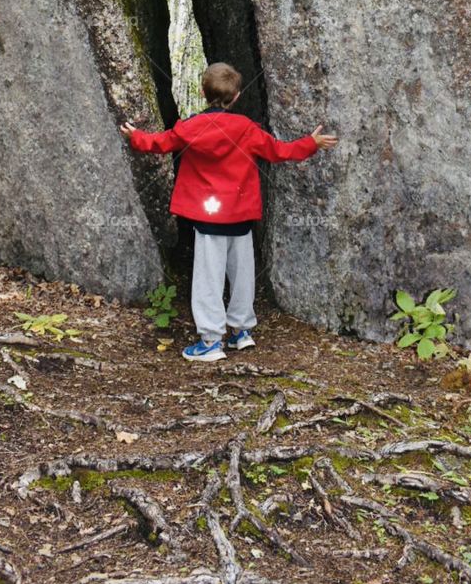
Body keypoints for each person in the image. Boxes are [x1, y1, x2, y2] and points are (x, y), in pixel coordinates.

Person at [120, 61, 338, 361]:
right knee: (243, 274)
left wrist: (136, 137)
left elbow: (160, 143)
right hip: (240, 218)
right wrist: (310, 143)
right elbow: (280, 152)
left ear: (202, 91)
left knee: (209, 278)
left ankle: (211, 342)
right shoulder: (247, 129)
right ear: (236, 97)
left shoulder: (190, 127)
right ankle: (241, 331)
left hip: (209, 220)